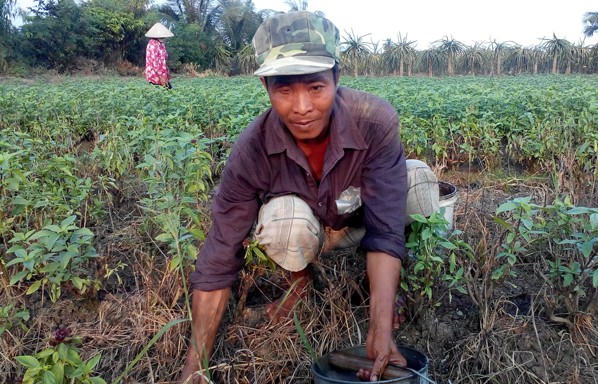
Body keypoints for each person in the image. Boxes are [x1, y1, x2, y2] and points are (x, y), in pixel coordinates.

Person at [178, 11, 440, 383]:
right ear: (266, 87)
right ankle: (299, 282)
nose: (301, 107)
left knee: (418, 182)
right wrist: (195, 366)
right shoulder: (251, 150)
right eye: (284, 90)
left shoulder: (375, 121)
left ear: (336, 78)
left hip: (358, 222)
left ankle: (384, 289)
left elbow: (385, 229)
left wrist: (380, 330)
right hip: (306, 231)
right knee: (285, 220)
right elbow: (219, 255)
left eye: (316, 87)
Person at [145, 22, 173, 89]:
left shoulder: (161, 44)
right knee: (161, 94)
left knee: (168, 92)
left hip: (162, 74)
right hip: (154, 75)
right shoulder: (152, 45)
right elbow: (155, 64)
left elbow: (164, 59)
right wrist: (161, 77)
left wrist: (166, 72)